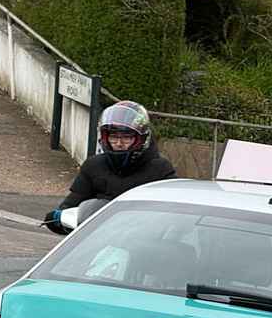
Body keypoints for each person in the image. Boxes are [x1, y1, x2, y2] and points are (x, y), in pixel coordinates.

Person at [44, 100, 176, 234]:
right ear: (105, 137)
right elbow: (71, 204)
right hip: (99, 237)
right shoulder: (93, 165)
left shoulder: (160, 169)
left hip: (142, 239)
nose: (119, 143)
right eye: (113, 137)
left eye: (126, 137)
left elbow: (173, 213)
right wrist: (59, 216)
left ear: (141, 139)